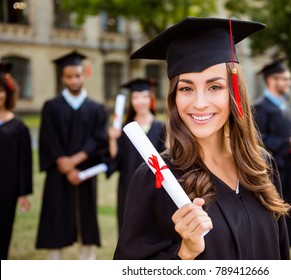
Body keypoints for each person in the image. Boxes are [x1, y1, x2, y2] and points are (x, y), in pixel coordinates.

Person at [114, 17, 291, 260]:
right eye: (186, 88)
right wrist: (185, 252)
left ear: (234, 92)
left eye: (215, 87)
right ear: (174, 98)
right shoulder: (156, 179)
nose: (199, 103)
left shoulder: (261, 166)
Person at [36, 51, 109, 260]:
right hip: (59, 175)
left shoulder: (96, 108)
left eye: (77, 75)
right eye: (69, 76)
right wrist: (65, 165)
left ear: (84, 75)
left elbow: (99, 139)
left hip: (85, 174)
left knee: (86, 222)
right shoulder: (51, 107)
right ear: (62, 78)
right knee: (56, 221)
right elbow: (48, 139)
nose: (74, 80)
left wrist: (74, 162)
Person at [252, 61, 291, 247]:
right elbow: (258, 139)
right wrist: (288, 143)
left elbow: (287, 135)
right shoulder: (260, 107)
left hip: (288, 166)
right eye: (285, 79)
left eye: (289, 79)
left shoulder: (283, 105)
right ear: (271, 80)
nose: (289, 83)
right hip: (271, 169)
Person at [108, 78, 166, 232]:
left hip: (154, 188)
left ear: (150, 98)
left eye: (145, 96)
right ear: (131, 101)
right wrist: (113, 139)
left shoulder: (161, 128)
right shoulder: (124, 129)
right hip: (128, 185)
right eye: (135, 97)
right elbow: (116, 160)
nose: (140, 101)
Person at [0, 62, 33, 260]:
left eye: (1, 90)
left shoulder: (18, 126)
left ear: (8, 92)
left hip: (6, 189)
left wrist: (23, 194)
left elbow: (24, 162)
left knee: (2, 231)